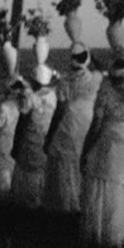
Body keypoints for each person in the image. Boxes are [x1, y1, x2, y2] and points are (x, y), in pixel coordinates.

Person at [80, 57, 124, 248]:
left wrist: (85, 150)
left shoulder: (104, 93)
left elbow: (96, 126)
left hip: (111, 139)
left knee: (107, 184)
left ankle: (108, 233)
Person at [43, 43, 103, 213]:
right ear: (87, 58)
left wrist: (49, 137)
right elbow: (101, 68)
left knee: (66, 168)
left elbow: (59, 111)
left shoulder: (64, 81)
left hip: (69, 124)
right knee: (84, 162)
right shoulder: (95, 78)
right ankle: (83, 204)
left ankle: (69, 205)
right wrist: (92, 55)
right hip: (87, 122)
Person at [10, 63, 58, 209]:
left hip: (30, 141)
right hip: (46, 139)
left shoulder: (29, 98)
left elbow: (22, 122)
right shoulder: (53, 96)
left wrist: (16, 145)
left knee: (26, 175)